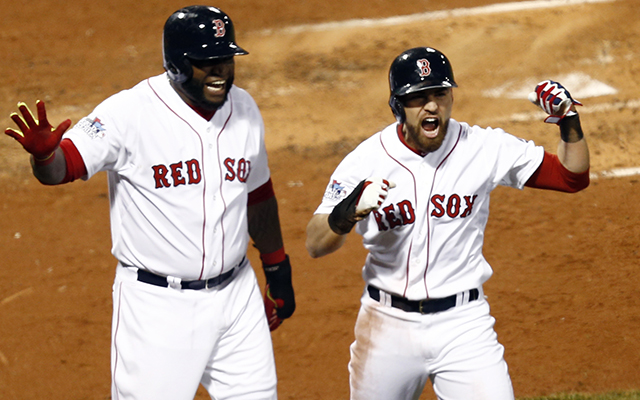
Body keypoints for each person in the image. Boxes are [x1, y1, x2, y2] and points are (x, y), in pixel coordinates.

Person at [5, 5, 295, 400]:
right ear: (176, 63)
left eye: (226, 59)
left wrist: (277, 267)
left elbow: (258, 193)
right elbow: (65, 165)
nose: (221, 72)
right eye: (206, 62)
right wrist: (44, 157)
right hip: (159, 309)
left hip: (237, 298)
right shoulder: (129, 113)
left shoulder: (244, 108)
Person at [305, 46, 589, 400]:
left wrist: (568, 122)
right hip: (386, 326)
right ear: (397, 105)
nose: (432, 106)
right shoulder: (365, 160)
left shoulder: (482, 147)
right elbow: (316, 243)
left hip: (464, 325)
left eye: (440, 93)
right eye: (418, 98)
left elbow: (570, 177)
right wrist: (346, 213)